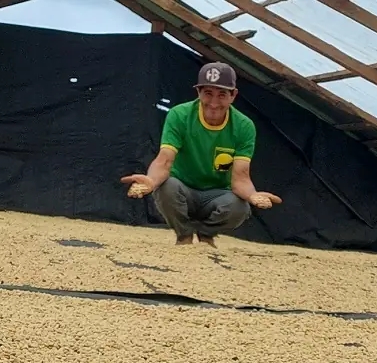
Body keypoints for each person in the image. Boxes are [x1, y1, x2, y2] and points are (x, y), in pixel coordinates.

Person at [121, 62, 282, 247]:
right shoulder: (179, 115)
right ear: (198, 93)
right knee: (166, 187)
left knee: (240, 207)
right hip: (182, 187)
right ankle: (184, 236)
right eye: (208, 93)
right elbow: (165, 160)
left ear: (233, 96)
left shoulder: (244, 126)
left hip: (218, 193)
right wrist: (150, 181)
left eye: (222, 94)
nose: (214, 103)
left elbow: (240, 178)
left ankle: (206, 235)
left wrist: (253, 196)